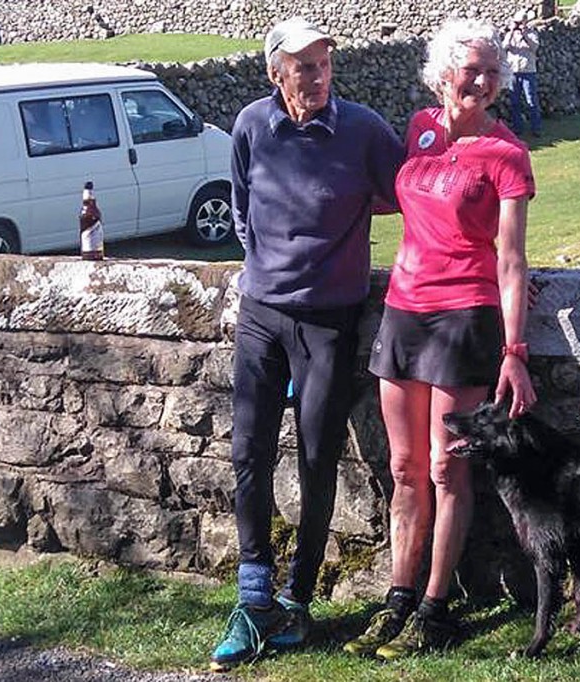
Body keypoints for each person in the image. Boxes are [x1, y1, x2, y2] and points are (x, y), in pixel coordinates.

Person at [209, 16, 404, 671]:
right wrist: (272, 267)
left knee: (319, 455)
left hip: (330, 320)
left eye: (323, 65)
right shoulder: (251, 127)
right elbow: (242, 208)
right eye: (302, 68)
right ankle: (254, 595)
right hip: (263, 314)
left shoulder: (363, 130)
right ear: (275, 74)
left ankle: (296, 600)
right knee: (247, 450)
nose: (316, 77)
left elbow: (405, 190)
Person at [343, 17, 537, 660]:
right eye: (470, 69)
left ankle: (435, 607)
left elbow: (511, 259)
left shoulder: (507, 153)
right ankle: (397, 599)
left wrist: (515, 351)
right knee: (404, 469)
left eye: (492, 72)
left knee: (448, 468)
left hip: (464, 319)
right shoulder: (420, 129)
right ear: (443, 73)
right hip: (403, 310)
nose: (481, 81)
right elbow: (404, 202)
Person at [502, 9, 542, 138]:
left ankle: (536, 128)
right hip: (513, 71)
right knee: (514, 101)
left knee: (531, 101)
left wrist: (524, 34)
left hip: (528, 71)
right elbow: (504, 47)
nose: (518, 25)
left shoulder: (532, 33)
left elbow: (535, 47)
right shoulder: (510, 34)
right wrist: (512, 31)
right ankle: (517, 128)